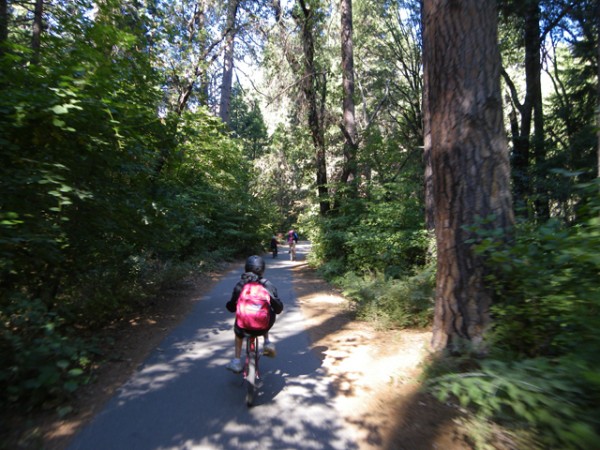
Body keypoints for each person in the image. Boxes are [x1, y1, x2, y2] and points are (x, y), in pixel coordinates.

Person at [225, 255, 283, 373]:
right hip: (263, 328)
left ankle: (236, 361)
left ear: (246, 268)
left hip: (243, 329)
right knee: (268, 311)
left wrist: (231, 306)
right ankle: (267, 342)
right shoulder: (267, 285)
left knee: (238, 326)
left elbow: (231, 306)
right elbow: (277, 308)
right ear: (263, 269)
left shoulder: (241, 285)